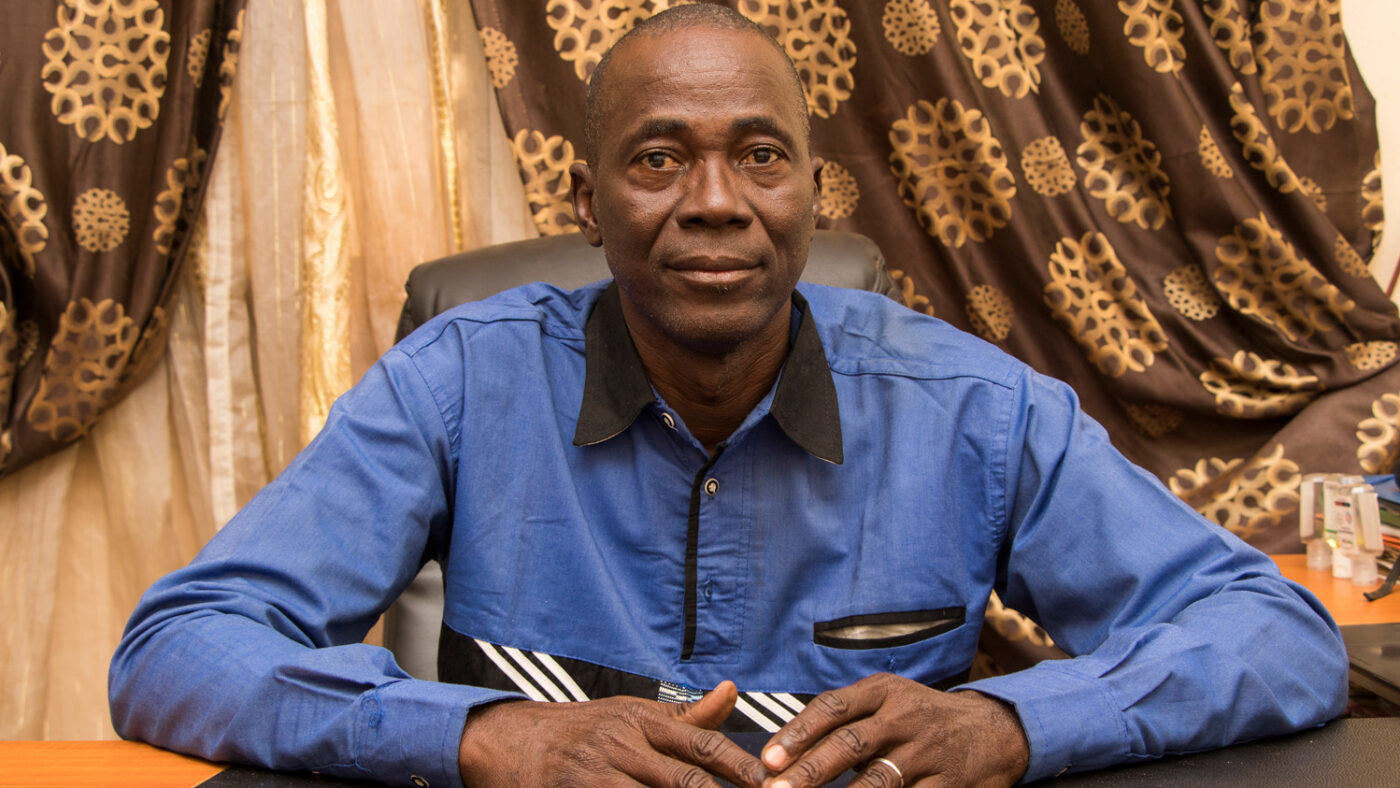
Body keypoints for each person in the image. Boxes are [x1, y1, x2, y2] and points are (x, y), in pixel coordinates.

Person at [110, 6, 1348, 787]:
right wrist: (487, 735)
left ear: (811, 195)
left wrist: (1017, 725)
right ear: (586, 205)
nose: (713, 199)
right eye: (659, 158)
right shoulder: (456, 382)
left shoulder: (971, 407)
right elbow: (178, 647)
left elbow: (1271, 633)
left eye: (757, 155)